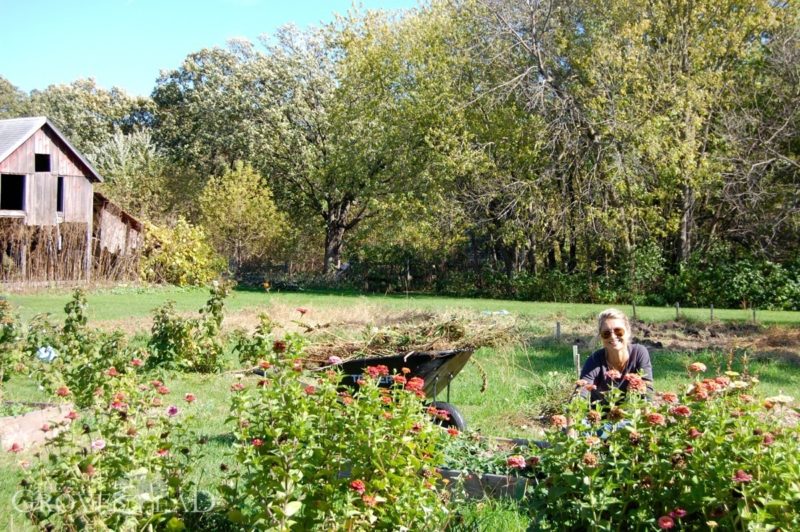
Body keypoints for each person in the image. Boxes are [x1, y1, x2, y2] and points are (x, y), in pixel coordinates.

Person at [577, 308, 653, 403]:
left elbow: (647, 389)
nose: (613, 336)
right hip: (601, 415)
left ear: (628, 331)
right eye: (606, 333)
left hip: (632, 413)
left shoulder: (639, 353)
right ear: (601, 337)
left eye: (618, 331)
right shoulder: (595, 360)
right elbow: (581, 391)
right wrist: (572, 411)